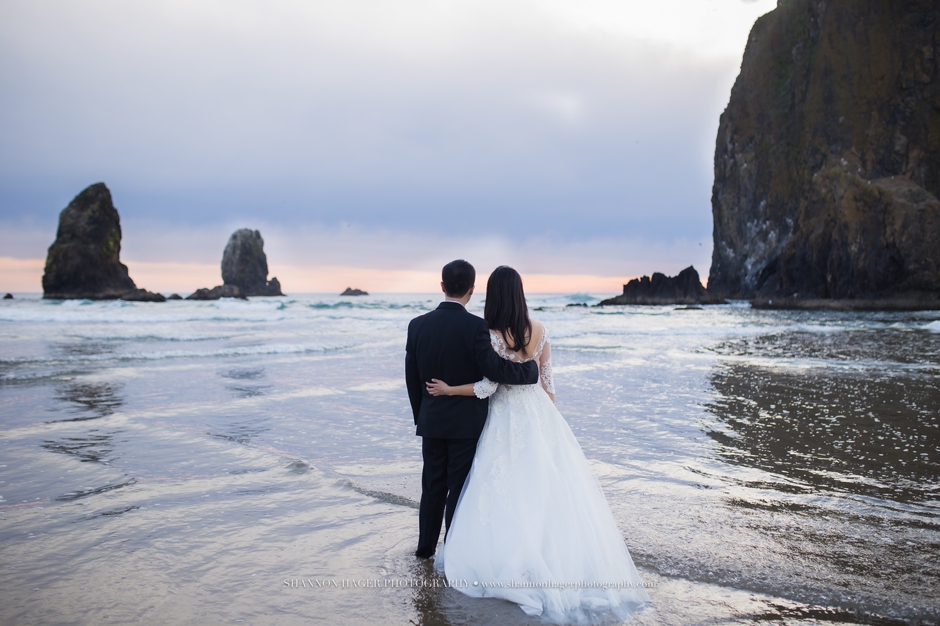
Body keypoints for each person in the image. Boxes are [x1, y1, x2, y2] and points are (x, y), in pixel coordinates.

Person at [425, 266, 650, 623]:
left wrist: (450, 390)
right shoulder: (541, 330)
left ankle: (507, 557)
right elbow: (549, 388)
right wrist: (543, 420)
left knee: (501, 488)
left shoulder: (490, 334)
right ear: (520, 293)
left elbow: (489, 386)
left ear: (492, 295)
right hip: (540, 416)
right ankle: (555, 559)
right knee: (547, 488)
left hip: (503, 419)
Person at [405, 260, 539, 559]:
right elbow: (494, 369)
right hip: (466, 424)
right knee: (458, 487)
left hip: (432, 421)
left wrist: (422, 416)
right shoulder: (475, 326)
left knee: (432, 486)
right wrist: (530, 372)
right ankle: (452, 551)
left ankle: (424, 549)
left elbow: (411, 377)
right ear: (472, 289)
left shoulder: (417, 325)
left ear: (442, 286)